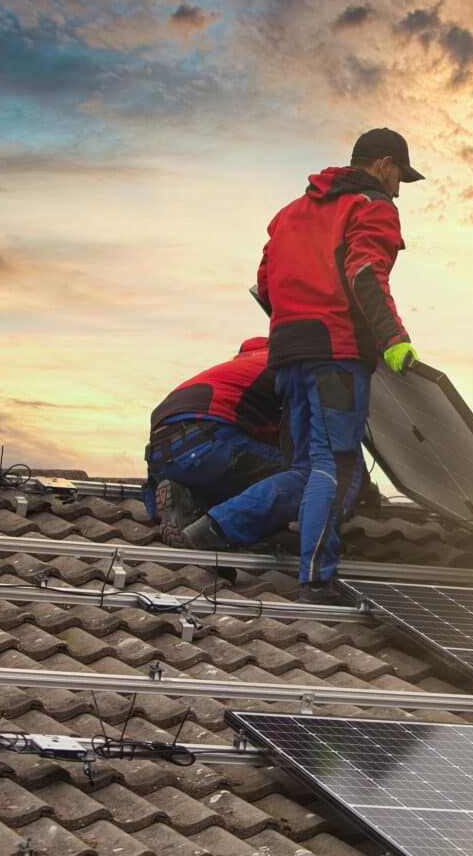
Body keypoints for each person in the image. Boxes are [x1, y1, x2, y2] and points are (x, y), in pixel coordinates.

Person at [166, 128, 423, 602]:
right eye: (399, 177)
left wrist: (297, 314)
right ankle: (317, 577)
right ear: (384, 165)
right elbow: (365, 272)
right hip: (336, 356)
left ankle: (213, 530)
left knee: (305, 468)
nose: (398, 188)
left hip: (287, 354)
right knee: (337, 467)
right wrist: (393, 339)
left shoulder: (290, 213)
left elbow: (265, 283)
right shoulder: (373, 207)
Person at [145, 337, 300, 545]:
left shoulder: (232, 368)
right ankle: (213, 531)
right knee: (303, 477)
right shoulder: (283, 366)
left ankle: (188, 501)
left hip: (160, 458)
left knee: (239, 478)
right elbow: (300, 442)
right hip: (207, 441)